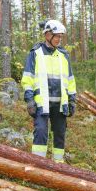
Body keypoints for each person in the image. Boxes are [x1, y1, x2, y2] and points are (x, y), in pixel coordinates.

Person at [21, 20, 76, 163]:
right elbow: (27, 78)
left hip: (60, 104)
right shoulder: (35, 53)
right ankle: (38, 166)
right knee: (40, 133)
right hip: (41, 104)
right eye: (56, 36)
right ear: (47, 35)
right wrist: (29, 100)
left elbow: (70, 80)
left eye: (60, 37)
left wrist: (72, 100)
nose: (59, 39)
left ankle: (58, 166)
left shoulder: (63, 55)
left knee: (60, 135)